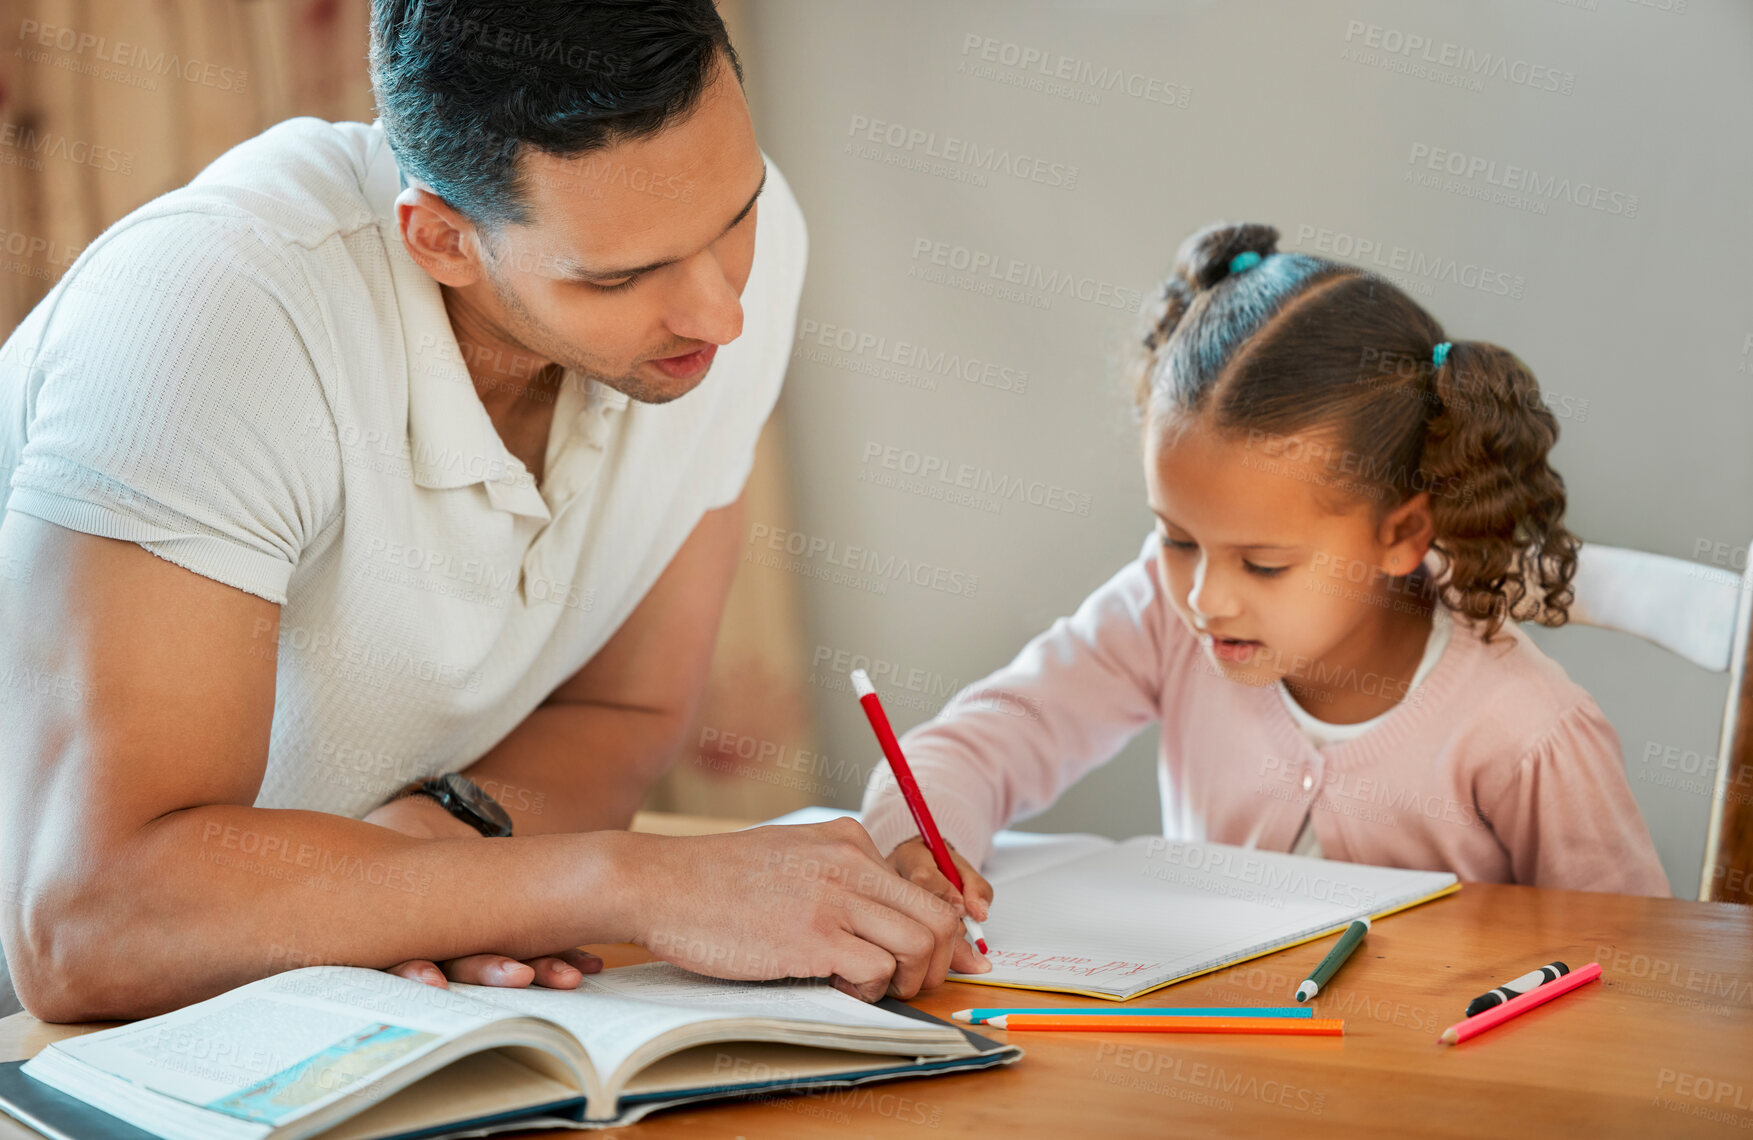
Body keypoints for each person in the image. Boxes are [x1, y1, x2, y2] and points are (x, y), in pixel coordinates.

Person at [0, 0, 982, 1024]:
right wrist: (628, 883)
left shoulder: (735, 265)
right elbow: (86, 926)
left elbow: (621, 711)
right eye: (622, 276)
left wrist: (437, 866)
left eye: (734, 217)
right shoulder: (214, 313)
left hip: (311, 1016)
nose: (722, 313)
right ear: (441, 241)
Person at [866, 220, 1670, 919]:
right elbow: (988, 741)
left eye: (1262, 563)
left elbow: (1630, 959)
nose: (1205, 598)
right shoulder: (1158, 610)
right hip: (1216, 1073)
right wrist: (916, 841)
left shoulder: (1524, 730)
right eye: (1178, 538)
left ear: (1400, 534)